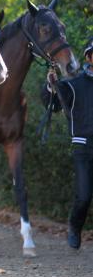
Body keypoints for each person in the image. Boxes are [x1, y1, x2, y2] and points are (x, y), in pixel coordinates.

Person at [44, 37, 93, 249]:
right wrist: (50, 85)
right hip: (83, 147)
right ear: (89, 57)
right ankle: (74, 227)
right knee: (84, 196)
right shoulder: (74, 85)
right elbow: (52, 104)